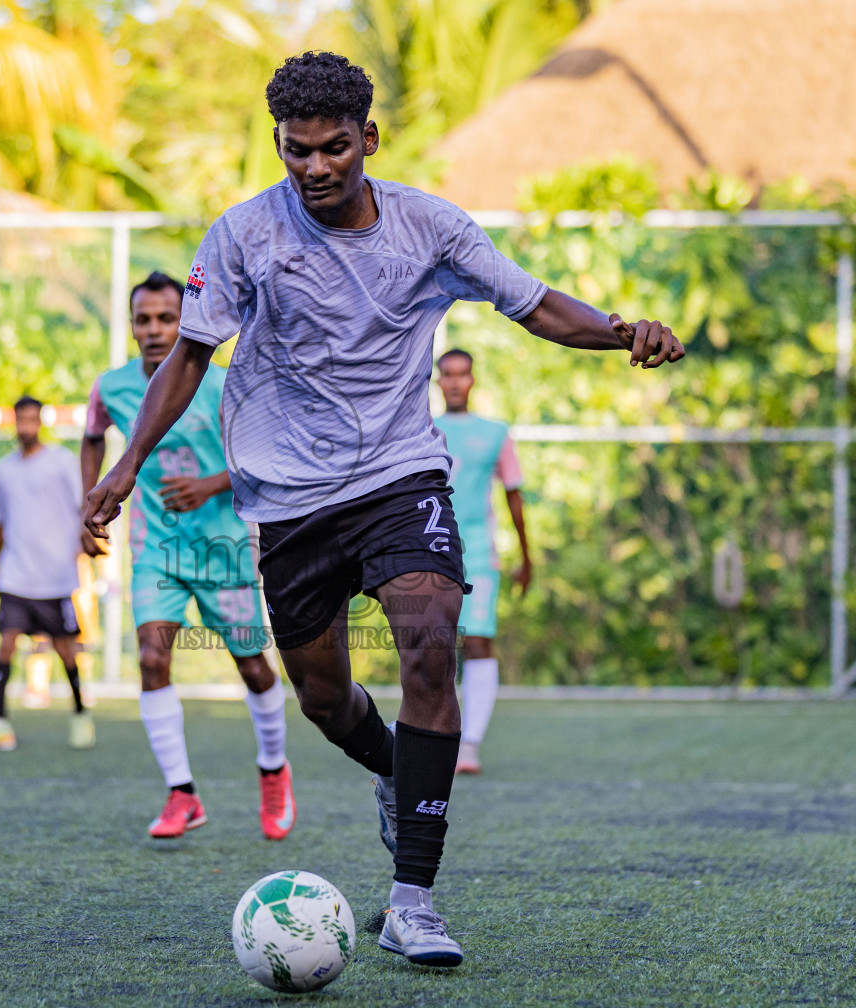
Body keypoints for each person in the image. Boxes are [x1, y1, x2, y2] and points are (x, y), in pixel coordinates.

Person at [84, 52, 684, 967]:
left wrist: (619, 330)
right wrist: (126, 465)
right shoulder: (243, 236)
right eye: (296, 154)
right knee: (324, 697)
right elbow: (191, 358)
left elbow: (533, 305)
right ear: (278, 147)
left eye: (333, 150)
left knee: (432, 636)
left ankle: (414, 902)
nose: (315, 169)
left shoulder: (430, 228)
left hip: (400, 475)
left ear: (368, 139)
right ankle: (399, 780)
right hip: (288, 499)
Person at [81, 271, 295, 841]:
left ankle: (274, 769)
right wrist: (90, 503)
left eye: (166, 319)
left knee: (253, 667)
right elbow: (91, 437)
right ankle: (182, 794)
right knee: (152, 659)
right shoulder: (113, 387)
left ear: (186, 323)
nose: (154, 330)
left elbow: (265, 455)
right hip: (157, 551)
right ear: (130, 326)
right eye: (144, 320)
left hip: (225, 549)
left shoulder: (225, 386)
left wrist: (208, 485)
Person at [0, 396, 94, 752]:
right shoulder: (5, 468)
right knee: (6, 643)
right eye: (20, 420)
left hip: (54, 575)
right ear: (14, 422)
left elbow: (83, 507)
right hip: (15, 573)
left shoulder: (62, 462)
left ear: (40, 421)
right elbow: (1, 522)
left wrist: (84, 545)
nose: (25, 426)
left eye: (31, 419)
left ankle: (81, 714)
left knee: (64, 648)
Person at [434, 349, 531, 775]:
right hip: (429, 550)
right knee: (433, 646)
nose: (455, 382)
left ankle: (469, 744)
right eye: (447, 374)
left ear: (473, 380)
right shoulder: (419, 430)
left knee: (477, 642)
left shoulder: (495, 434)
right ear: (437, 380)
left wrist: (527, 557)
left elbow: (513, 495)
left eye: (462, 374)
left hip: (477, 551)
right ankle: (436, 737)